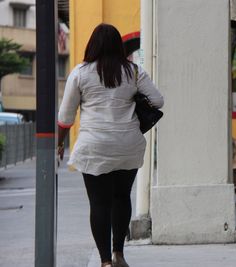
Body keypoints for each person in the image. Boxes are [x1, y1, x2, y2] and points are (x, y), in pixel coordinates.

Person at [57, 23, 164, 267]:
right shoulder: (134, 72)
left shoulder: (81, 73)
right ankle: (119, 254)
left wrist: (59, 143)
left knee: (99, 202)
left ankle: (105, 261)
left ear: (92, 45)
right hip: (128, 144)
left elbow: (65, 117)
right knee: (121, 196)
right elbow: (158, 100)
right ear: (119, 45)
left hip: (95, 146)